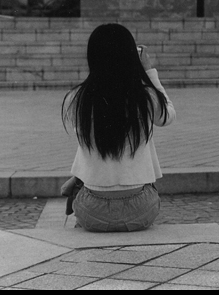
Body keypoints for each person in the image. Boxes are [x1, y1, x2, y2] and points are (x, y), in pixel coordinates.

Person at [61, 23, 176, 232]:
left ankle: (79, 182)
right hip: (141, 210)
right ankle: (78, 182)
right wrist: (149, 72)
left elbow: (86, 145)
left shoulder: (77, 99)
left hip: (92, 212)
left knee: (91, 139)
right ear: (131, 56)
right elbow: (168, 117)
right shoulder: (144, 96)